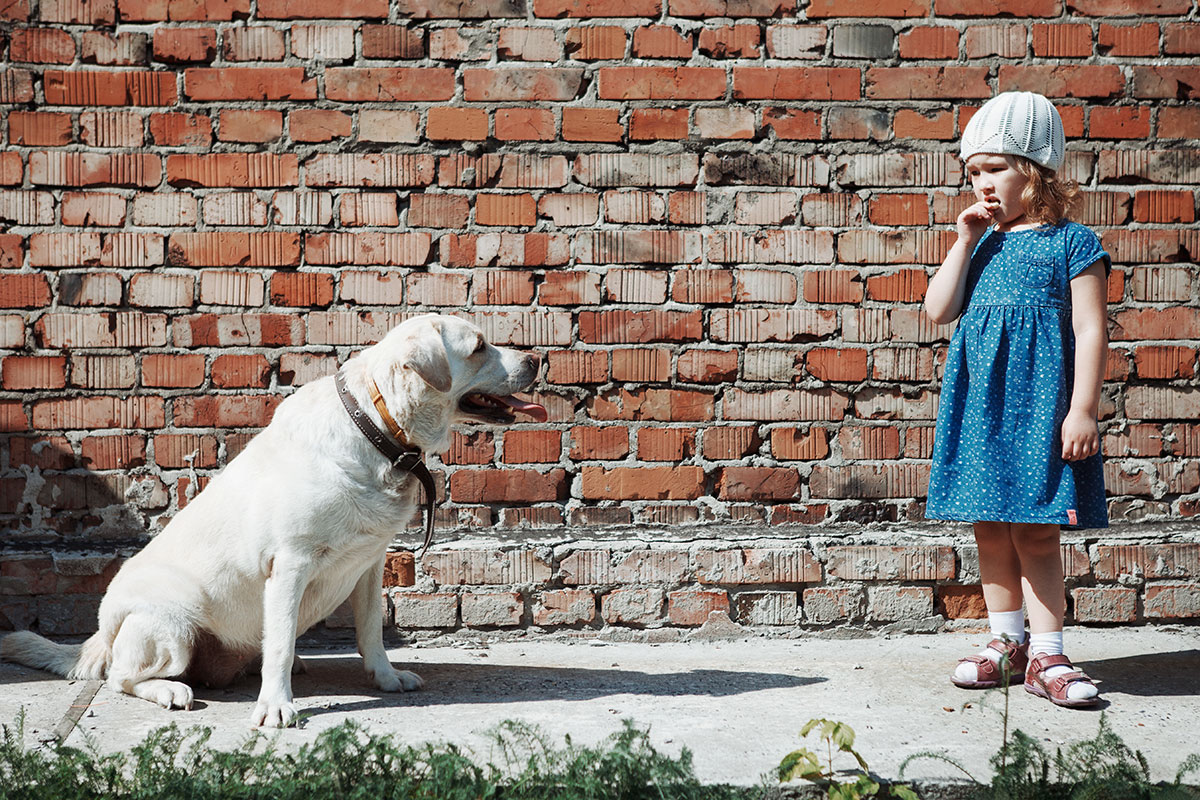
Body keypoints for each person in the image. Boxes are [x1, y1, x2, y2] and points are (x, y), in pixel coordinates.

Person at [924, 92, 1109, 708]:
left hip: (1041, 408)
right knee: (989, 527)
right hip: (982, 407)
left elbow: (1090, 329)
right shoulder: (981, 242)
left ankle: (1049, 653)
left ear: (1037, 170)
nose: (982, 182)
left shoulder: (1072, 242)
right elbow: (938, 310)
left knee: (1036, 530)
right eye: (973, 171)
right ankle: (1006, 643)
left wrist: (1082, 408)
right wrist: (961, 239)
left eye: (996, 167)